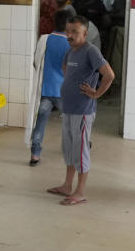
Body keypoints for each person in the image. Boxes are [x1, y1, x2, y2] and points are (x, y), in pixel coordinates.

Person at [46, 16, 115, 206]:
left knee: (81, 150)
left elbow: (109, 74)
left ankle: (80, 191)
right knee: (69, 149)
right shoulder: (71, 51)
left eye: (75, 32)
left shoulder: (90, 51)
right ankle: (67, 186)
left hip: (82, 111)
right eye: (68, 31)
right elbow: (65, 68)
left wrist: (96, 93)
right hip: (68, 109)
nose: (70, 35)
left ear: (84, 33)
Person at [28, 10, 73, 166]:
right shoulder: (71, 43)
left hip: (46, 90)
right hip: (64, 92)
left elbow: (36, 62)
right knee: (71, 121)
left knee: (40, 122)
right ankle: (74, 148)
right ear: (69, 25)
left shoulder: (45, 39)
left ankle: (35, 155)